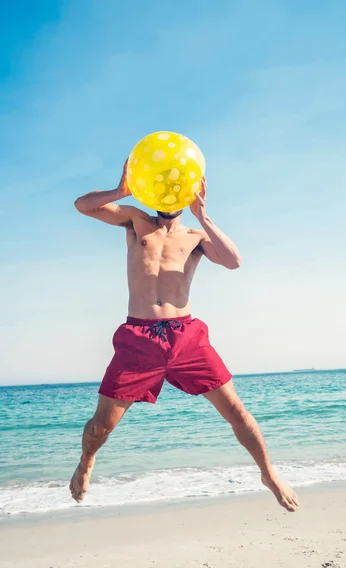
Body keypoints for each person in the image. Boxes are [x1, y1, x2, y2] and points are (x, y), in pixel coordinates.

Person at [69, 161, 299, 512]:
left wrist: (203, 215)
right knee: (102, 425)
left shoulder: (196, 237)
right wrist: (120, 190)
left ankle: (268, 473)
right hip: (138, 336)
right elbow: (82, 206)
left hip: (185, 335)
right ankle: (87, 461)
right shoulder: (135, 219)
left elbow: (234, 261)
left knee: (236, 411)